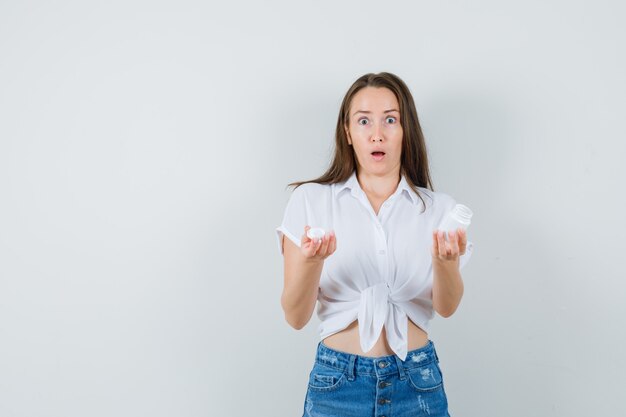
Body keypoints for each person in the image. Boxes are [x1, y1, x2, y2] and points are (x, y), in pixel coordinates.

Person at [276, 72, 474, 417]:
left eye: (391, 120)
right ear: (348, 132)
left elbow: (446, 307)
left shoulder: (439, 209)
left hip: (417, 384)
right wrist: (312, 263)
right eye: (364, 120)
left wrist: (445, 264)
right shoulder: (311, 201)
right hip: (337, 387)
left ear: (405, 130)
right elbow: (295, 316)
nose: (377, 133)